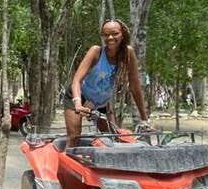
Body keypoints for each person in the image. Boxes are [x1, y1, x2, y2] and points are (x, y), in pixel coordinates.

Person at [63, 19, 150, 148]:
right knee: (74, 136)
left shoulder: (128, 53)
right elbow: (76, 80)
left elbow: (135, 87)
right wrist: (78, 104)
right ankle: (64, 166)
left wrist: (144, 119)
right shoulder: (96, 51)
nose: (110, 37)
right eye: (106, 34)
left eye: (115, 34)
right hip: (79, 97)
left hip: (100, 103)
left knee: (112, 138)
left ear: (123, 34)